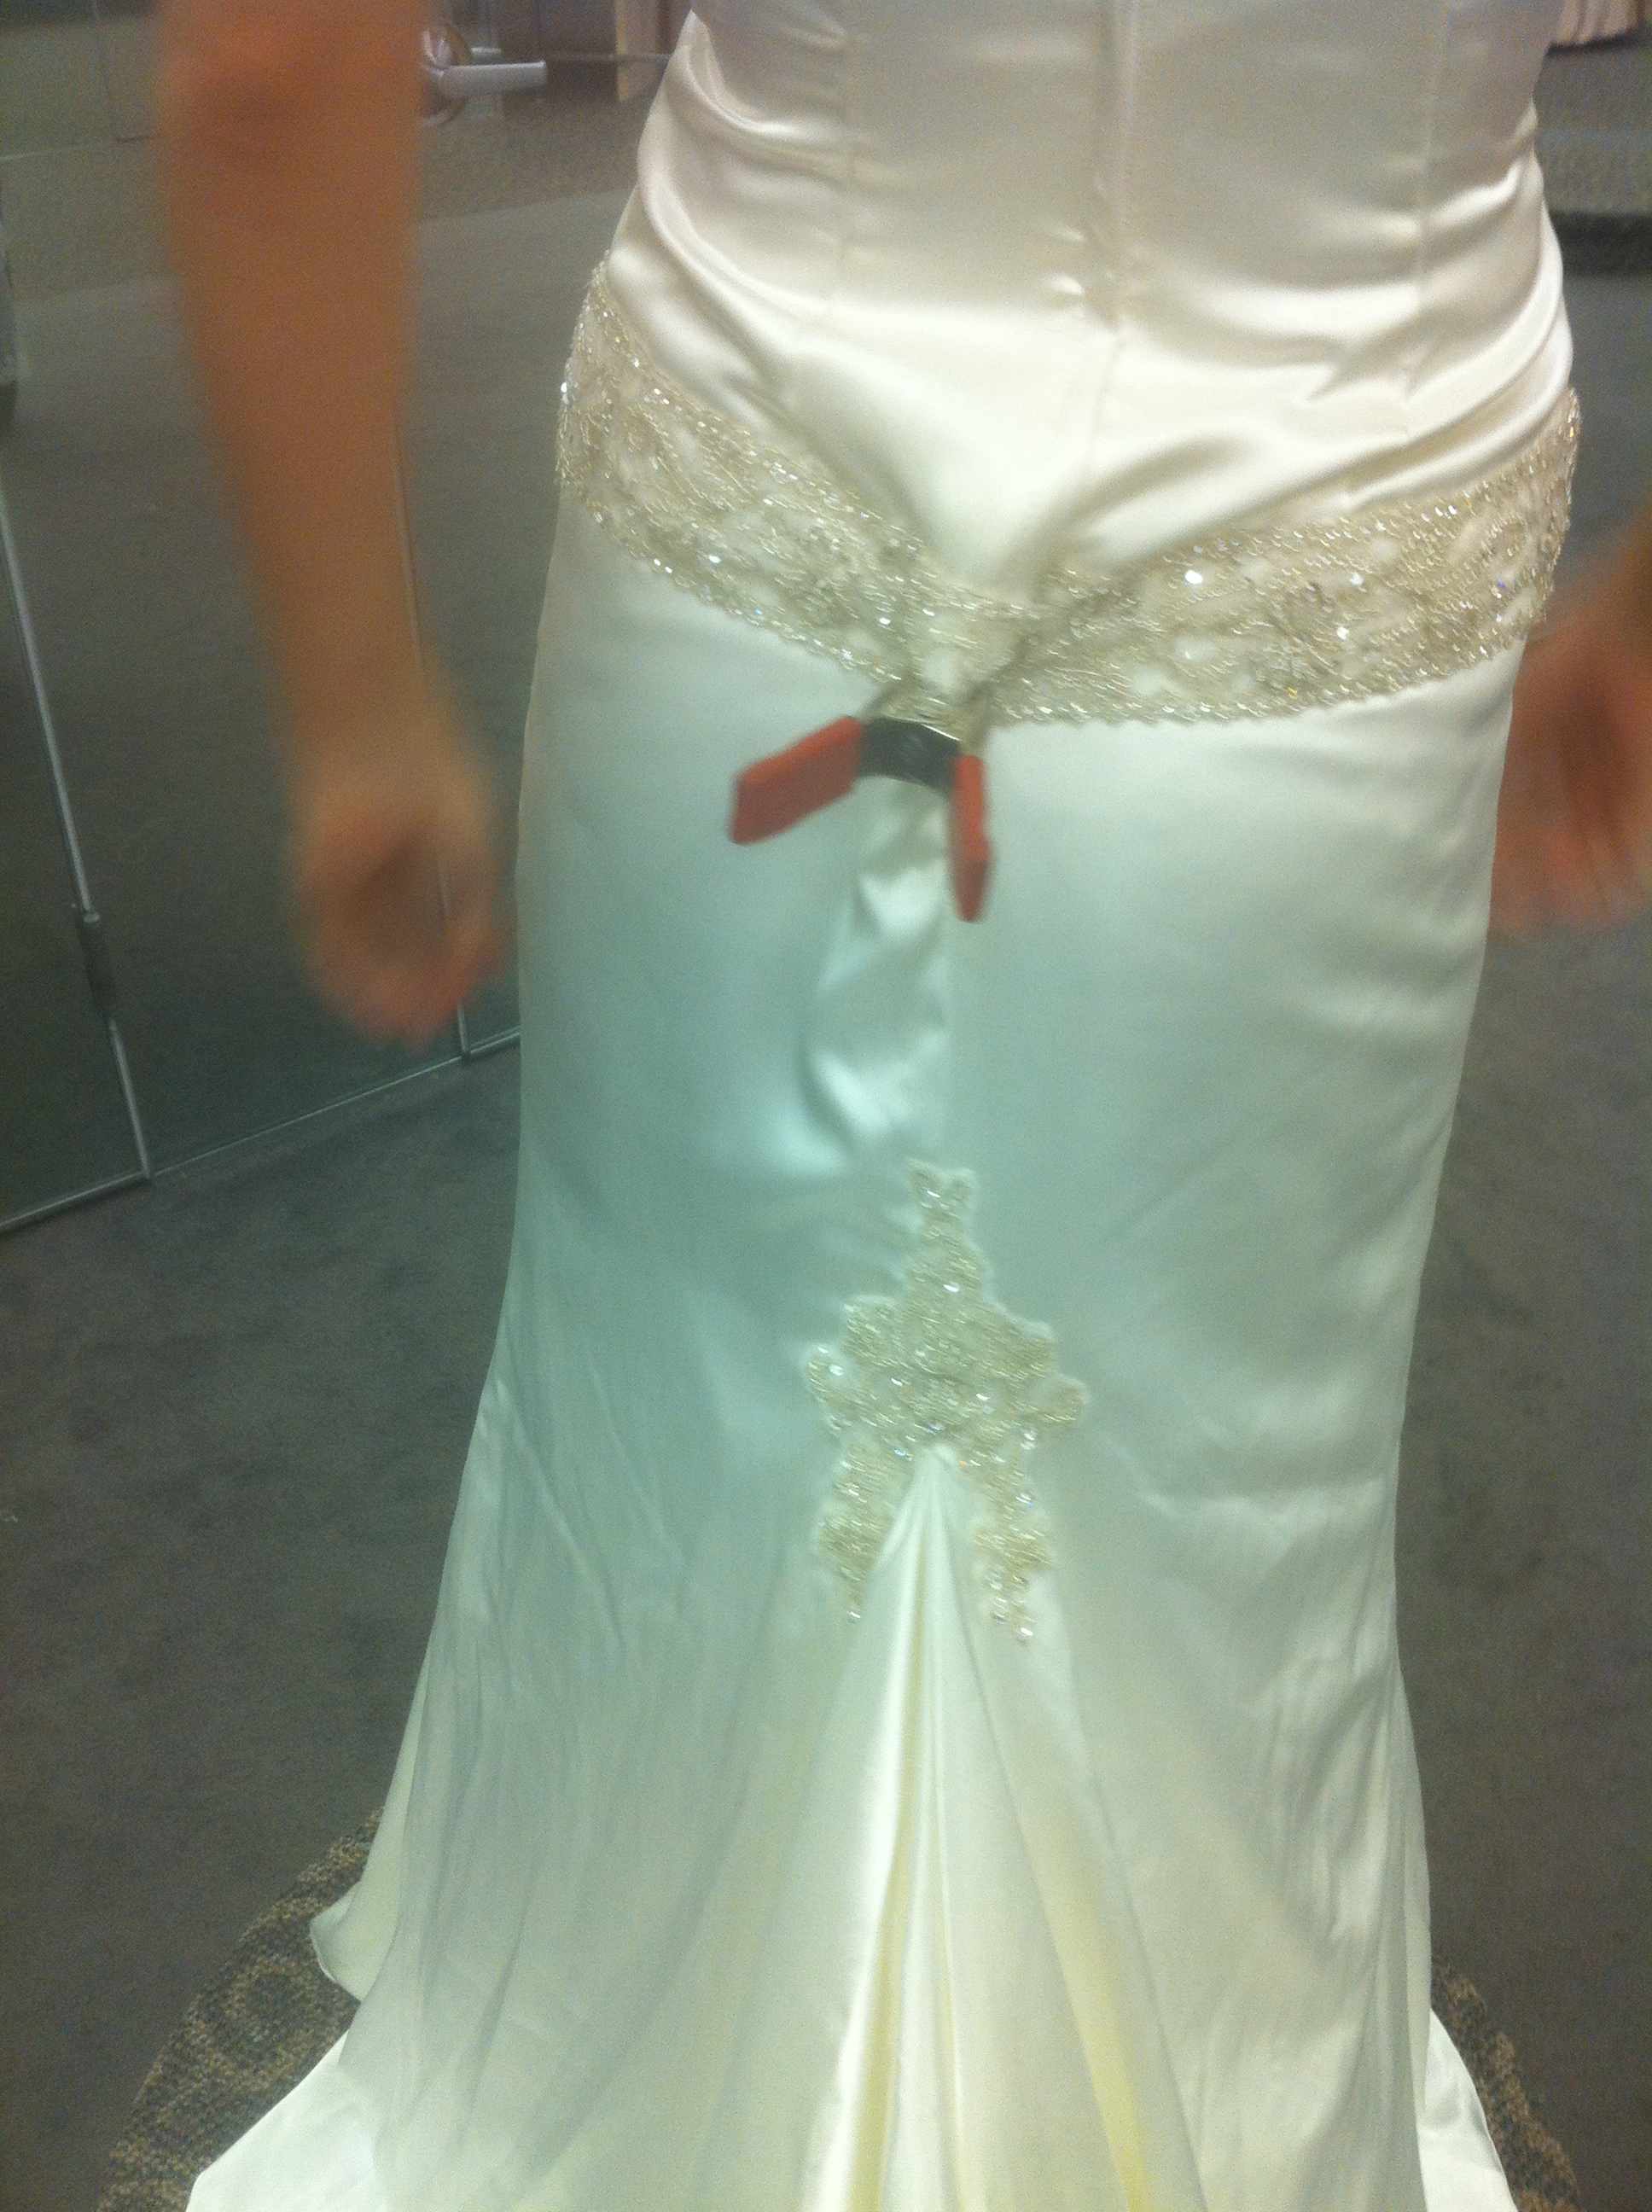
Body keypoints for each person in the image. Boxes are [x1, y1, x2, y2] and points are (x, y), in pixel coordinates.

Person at [160, 4, 1649, 2209]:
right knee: (1219, 1478)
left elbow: (268, 70)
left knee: (686, 1417)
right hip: (1344, 599)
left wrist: (361, 711)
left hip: (749, 525)